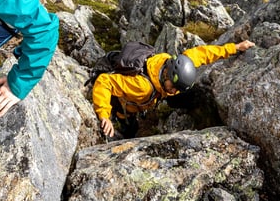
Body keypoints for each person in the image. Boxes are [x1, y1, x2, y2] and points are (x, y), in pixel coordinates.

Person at [91, 40, 255, 138]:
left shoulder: (177, 62)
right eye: (173, 87)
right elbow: (104, 82)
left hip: (151, 91)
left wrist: (235, 47)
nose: (174, 91)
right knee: (130, 128)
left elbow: (204, 53)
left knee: (188, 95)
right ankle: (126, 128)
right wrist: (104, 115)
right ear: (166, 76)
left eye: (177, 88)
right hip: (126, 105)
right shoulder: (142, 87)